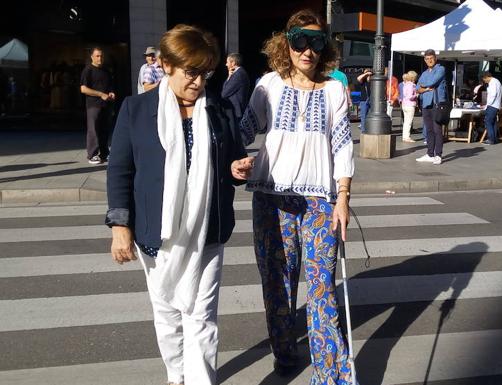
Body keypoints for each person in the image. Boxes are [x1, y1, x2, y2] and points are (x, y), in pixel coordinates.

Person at [106, 24, 253, 385]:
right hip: (156, 232)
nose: (199, 82)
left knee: (202, 315)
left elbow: (233, 160)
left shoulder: (220, 110)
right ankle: (176, 374)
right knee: (167, 312)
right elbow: (120, 170)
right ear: (167, 65)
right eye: (192, 72)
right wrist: (120, 227)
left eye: (206, 73)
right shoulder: (135, 109)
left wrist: (237, 169)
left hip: (208, 229)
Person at [239, 9, 356, 384]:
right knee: (278, 283)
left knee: (322, 289)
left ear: (325, 48)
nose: (307, 51)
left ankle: (332, 377)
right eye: (300, 42)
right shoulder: (267, 85)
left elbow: (342, 146)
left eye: (316, 43)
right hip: (272, 198)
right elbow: (243, 130)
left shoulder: (335, 89)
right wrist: (232, 159)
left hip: (321, 200)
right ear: (286, 44)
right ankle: (286, 355)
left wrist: (343, 198)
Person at [80, 47, 115, 164]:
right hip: (93, 105)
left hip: (106, 104)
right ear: (92, 57)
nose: (100, 58)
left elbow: (110, 86)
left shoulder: (106, 71)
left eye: (101, 56)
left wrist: (111, 93)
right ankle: (92, 155)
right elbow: (83, 89)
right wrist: (100, 94)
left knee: (105, 129)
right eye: (97, 56)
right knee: (93, 129)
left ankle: (104, 153)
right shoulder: (88, 70)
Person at [416, 49, 447, 165]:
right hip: (426, 104)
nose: (429, 61)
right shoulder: (424, 73)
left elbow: (432, 81)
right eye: (427, 59)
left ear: (435, 58)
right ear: (425, 60)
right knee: (428, 130)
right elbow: (417, 88)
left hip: (436, 103)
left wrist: (425, 86)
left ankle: (438, 155)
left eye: (431, 58)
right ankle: (430, 154)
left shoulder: (440, 69)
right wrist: (426, 88)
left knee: (437, 130)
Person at [222, 52, 250, 121]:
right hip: (237, 111)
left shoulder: (238, 75)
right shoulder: (240, 73)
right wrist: (229, 77)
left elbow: (224, 93)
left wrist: (229, 78)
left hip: (236, 112)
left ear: (233, 63)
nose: (226, 64)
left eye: (227, 62)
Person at [481, 72, 502, 145]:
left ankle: (491, 139)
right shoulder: (497, 82)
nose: (484, 81)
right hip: (496, 105)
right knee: (493, 122)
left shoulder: (493, 83)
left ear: (487, 77)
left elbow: (493, 95)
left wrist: (488, 104)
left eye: (484, 79)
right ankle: (494, 139)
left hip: (492, 105)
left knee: (488, 122)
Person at [401, 70, 418, 143]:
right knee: (409, 122)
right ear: (413, 77)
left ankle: (404, 136)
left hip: (404, 104)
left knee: (405, 121)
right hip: (410, 105)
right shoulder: (412, 85)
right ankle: (407, 137)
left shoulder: (405, 84)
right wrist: (416, 95)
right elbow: (411, 96)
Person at [356, 68, 372, 133]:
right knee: (363, 116)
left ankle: (370, 129)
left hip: (372, 100)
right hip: (364, 99)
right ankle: (363, 130)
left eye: (369, 73)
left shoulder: (373, 80)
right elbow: (358, 78)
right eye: (366, 73)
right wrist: (365, 74)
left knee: (371, 116)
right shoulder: (363, 81)